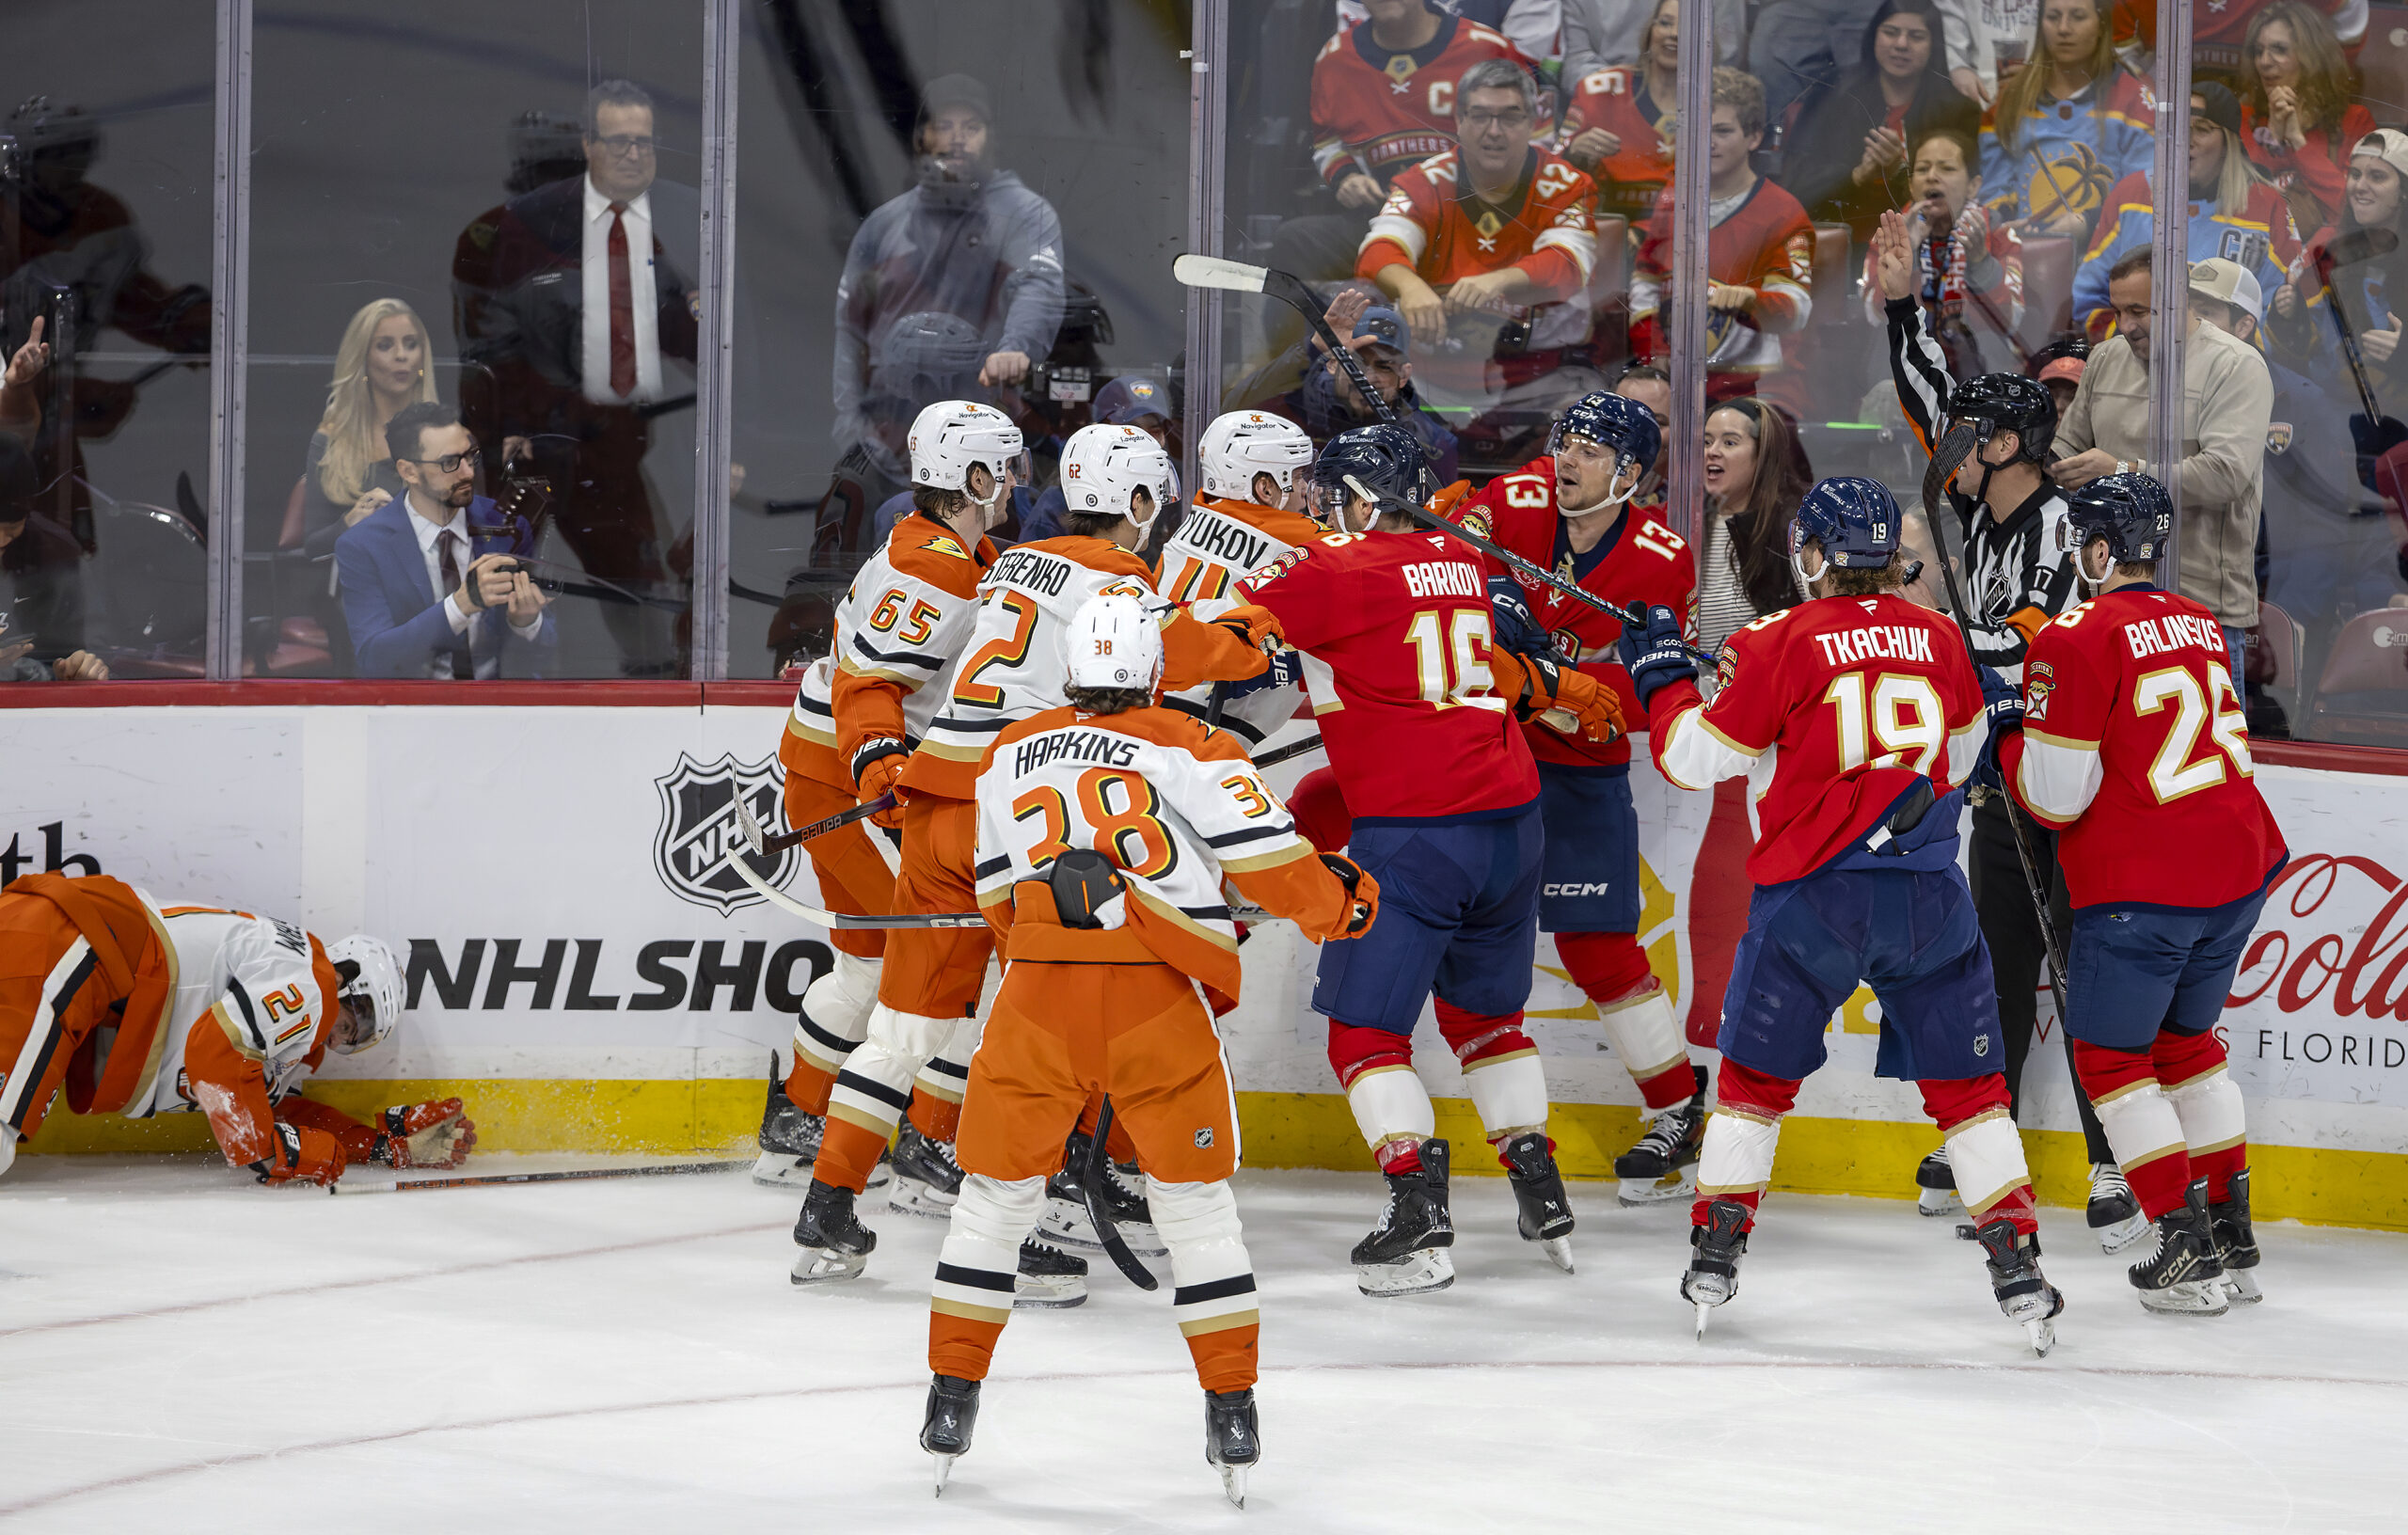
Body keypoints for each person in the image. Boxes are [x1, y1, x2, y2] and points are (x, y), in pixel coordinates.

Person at [791, 419, 1275, 1288]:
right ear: (1135, 501)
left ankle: (826, 1208)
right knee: (1040, 1031)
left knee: (905, 1028)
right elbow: (1185, 654)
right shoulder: (1117, 574)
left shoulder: (1012, 561)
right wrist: (1255, 630)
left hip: (939, 794)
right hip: (1009, 814)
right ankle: (1034, 1206)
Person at [919, 592, 1376, 1504]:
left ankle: (950, 1398)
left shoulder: (1008, 752)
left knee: (993, 1205)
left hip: (1034, 1002)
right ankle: (1230, 1410)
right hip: (1153, 1009)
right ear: (1151, 666)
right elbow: (1271, 866)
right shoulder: (1195, 744)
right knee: (1196, 1213)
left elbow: (998, 901)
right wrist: (1343, 903)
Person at [1619, 477, 2064, 1352]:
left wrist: (1665, 678)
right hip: (1931, 898)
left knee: (1753, 1086)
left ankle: (1717, 1250)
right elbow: (1967, 754)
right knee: (1972, 1095)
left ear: (1813, 555)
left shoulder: (1771, 638)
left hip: (1810, 903)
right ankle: (2017, 1260)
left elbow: (1691, 761)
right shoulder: (1939, 634)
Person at [1234, 424, 1624, 1294]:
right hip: (1511, 824)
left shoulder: (1335, 571)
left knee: (1365, 1034)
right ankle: (1535, 1173)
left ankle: (1416, 1208)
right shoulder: (1467, 560)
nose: (1325, 510)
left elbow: (1226, 627)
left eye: (1337, 495)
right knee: (1488, 1023)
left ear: (1364, 498)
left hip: (1415, 834)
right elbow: (1502, 658)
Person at [1877, 206, 2131, 1240]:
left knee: (2084, 980)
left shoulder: (2071, 525)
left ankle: (2113, 1159)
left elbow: (2036, 645)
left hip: (2074, 786)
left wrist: (1941, 651)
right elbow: (1927, 391)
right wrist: (1900, 300)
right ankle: (1981, 1136)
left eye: (1970, 437)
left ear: (2011, 442)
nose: (1950, 447)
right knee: (1993, 964)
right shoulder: (1985, 507)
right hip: (2001, 784)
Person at [1991, 472, 2286, 1314]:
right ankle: (2232, 1231)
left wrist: (2012, 731)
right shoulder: (2198, 617)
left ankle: (2181, 1242)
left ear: (2094, 547)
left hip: (2144, 884)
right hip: (2236, 868)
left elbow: (2054, 798)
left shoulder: (2070, 637)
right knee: (2188, 1047)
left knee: (2114, 1059)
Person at [1447, 392, 1714, 1206]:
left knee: (1598, 947)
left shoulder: (1662, 556)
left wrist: (1545, 682)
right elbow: (1451, 573)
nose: (1567, 460)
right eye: (1566, 443)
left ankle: (1677, 1110)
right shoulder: (1515, 497)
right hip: (1480, 754)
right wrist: (1492, 598)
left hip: (1579, 763)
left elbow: (1645, 690)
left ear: (1630, 474)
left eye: (1592, 452)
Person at [751, 403, 1020, 1195]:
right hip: (848, 782)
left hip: (828, 771)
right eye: (1001, 467)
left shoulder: (957, 552)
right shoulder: (933, 565)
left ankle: (798, 1117)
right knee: (952, 957)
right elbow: (873, 683)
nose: (1012, 482)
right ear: (972, 477)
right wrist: (877, 760)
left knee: (867, 963)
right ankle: (928, 1142)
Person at [0, 872, 458, 1188]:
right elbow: (215, 1055)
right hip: (59, 948)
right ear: (347, 981)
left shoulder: (281, 993)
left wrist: (378, 1146)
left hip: (49, 939)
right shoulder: (311, 983)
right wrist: (265, 1151)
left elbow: (261, 1102)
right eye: (355, 1021)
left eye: (357, 1041)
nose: (340, 1039)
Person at [461, 79, 698, 676]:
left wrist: (697, 313)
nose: (550, 181)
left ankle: (660, 694)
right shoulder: (496, 237)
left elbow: (682, 334)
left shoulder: (639, 232)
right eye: (539, 168)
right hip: (526, 454)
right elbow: (486, 350)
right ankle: (481, 695)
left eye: (558, 167)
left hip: (608, 455)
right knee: (498, 584)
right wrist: (516, 425)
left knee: (648, 594)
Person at [819, 73, 1066, 561]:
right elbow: (851, 331)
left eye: (970, 125)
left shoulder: (1024, 215)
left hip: (984, 440)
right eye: (944, 124)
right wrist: (852, 425)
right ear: (920, 137)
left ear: (990, 138)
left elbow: (1037, 285)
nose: (957, 136)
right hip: (891, 442)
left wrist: (1016, 347)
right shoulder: (885, 225)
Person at [2052, 248, 2274, 688]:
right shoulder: (2104, 359)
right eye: (2118, 310)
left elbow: (2226, 474)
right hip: (2110, 606)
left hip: (2202, 608)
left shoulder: (2236, 366)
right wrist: (2056, 466)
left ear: (2179, 299)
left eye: (2139, 310)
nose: (2126, 324)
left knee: (2202, 752)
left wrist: (2120, 470)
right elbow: (2066, 449)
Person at [1354, 57, 1602, 435]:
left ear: (1533, 123)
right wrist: (1410, 286)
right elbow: (1378, 249)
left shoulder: (1567, 184)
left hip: (1533, 380)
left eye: (1510, 117)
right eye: (1481, 116)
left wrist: (1496, 281)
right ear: (1459, 121)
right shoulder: (1426, 181)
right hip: (1425, 380)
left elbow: (1568, 265)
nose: (1494, 131)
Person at [1291, 0, 1533, 289]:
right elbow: (1327, 141)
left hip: (1479, 225)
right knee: (1294, 241)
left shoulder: (1489, 50)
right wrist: (1346, 177)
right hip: (1379, 222)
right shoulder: (1335, 59)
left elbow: (1537, 144)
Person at [1631, 70, 1816, 404]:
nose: (1709, 142)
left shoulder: (1783, 212)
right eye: (1700, 130)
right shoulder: (1672, 198)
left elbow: (1796, 309)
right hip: (1678, 384)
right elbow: (1645, 285)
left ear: (1754, 137)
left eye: (1723, 131)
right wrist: (1653, 352)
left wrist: (1749, 300)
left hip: (1759, 389)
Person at [336, 404, 555, 680]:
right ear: (409, 471)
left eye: (470, 456)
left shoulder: (507, 527)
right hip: (413, 708)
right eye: (449, 463)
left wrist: (526, 623)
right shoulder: (362, 545)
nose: (468, 473)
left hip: (497, 703)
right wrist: (461, 604)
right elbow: (374, 657)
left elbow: (550, 648)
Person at [2069, 85, 2299, 342]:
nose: (2186, 140)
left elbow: (2283, 316)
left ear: (2228, 143)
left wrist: (2223, 355)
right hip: (2139, 366)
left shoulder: (2267, 207)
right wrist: (2136, 343)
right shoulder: (2131, 196)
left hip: (2229, 371)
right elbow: (2087, 300)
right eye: (2178, 128)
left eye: (2201, 130)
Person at [1155, 411, 1325, 749]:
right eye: (1296, 475)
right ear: (1265, 487)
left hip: (1152, 700)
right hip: (1213, 718)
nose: (1305, 486)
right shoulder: (1303, 541)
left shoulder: (1195, 517)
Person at [1783, 0, 1979, 245]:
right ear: (1873, 36)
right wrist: (1857, 176)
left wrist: (1899, 172)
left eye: (1916, 36)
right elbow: (1794, 188)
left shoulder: (1957, 111)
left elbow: (1962, 199)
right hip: (1842, 237)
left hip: (1922, 242)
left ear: (1934, 46)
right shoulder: (1832, 93)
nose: (1901, 45)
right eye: (1890, 32)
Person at [1975, 0, 2155, 240]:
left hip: (2108, 256)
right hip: (2022, 258)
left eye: (2078, 16)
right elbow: (1993, 192)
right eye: (2053, 17)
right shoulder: (2009, 101)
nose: (2063, 28)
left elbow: (2144, 196)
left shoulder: (2136, 99)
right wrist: (2004, 222)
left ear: (2101, 24)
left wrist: (2088, 222)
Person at [1858, 125, 2025, 378]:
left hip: (1977, 367)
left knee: (1990, 341)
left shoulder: (2000, 236)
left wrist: (1980, 262)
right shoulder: (1889, 235)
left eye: (1947, 168)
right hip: (1908, 368)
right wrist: (1906, 258)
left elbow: (2010, 323)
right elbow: (1873, 315)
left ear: (1973, 186)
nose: (1932, 176)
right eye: (1923, 169)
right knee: (1888, 338)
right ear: (1912, 186)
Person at [1249, 293, 1463, 483]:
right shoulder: (1287, 418)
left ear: (1404, 375)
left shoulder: (1433, 446)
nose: (1369, 378)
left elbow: (1438, 518)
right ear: (1333, 364)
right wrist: (1313, 348)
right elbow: (1234, 403)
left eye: (1384, 367)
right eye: (1355, 364)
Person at [293, 299, 439, 561]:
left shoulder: (449, 437)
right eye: (385, 346)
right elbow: (313, 546)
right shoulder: (331, 440)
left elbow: (477, 534)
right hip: (354, 591)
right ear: (363, 359)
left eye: (411, 344)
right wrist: (351, 521)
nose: (401, 355)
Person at [2241, 2, 2374, 236]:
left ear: (2312, 56)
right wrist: (2273, 135)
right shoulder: (2244, 116)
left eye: (2279, 50)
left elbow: (2352, 210)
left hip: (2325, 258)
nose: (2264, 61)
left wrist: (2297, 140)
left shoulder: (2354, 121)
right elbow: (2240, 202)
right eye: (2258, 51)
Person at [1695, 396, 1811, 657]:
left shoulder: (1794, 525)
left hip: (1768, 685)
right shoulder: (1690, 518)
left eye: (1729, 442)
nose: (1712, 451)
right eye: (1706, 441)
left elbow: (1824, 622)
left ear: (1763, 455)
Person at [1555, 0, 1683, 227]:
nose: (1674, 34)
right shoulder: (1599, 89)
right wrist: (1574, 153)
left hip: (1681, 236)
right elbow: (1554, 168)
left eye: (1687, 28)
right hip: (1605, 230)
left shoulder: (1718, 101)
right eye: (1665, 23)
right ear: (1649, 31)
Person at [1016, 375, 1174, 545]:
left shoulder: (1171, 488)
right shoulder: (1061, 500)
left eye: (1154, 431)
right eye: (1132, 431)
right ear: (1097, 432)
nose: (1145, 443)